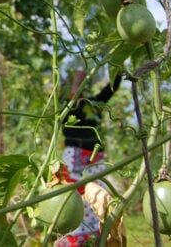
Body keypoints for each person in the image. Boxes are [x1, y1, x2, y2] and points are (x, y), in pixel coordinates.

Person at [57, 69, 123, 246]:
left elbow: (112, 88)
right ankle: (72, 240)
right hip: (74, 159)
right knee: (73, 199)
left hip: (94, 160)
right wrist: (75, 87)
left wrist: (118, 65)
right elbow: (69, 109)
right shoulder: (66, 105)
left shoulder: (94, 103)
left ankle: (94, 239)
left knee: (95, 199)